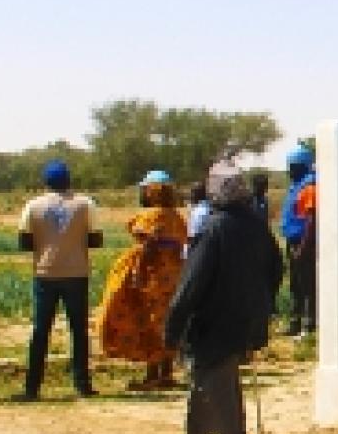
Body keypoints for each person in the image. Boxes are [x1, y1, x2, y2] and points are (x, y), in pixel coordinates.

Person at [165, 161, 283, 434]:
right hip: (248, 317)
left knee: (215, 383)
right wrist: (262, 302)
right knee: (227, 380)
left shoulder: (213, 229)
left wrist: (173, 326)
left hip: (216, 322)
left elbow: (191, 285)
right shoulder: (256, 224)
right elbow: (276, 267)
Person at [17, 158, 102, 400]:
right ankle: (82, 384)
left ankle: (32, 387)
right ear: (68, 180)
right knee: (78, 330)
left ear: (46, 182)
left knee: (41, 330)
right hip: (76, 272)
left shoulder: (33, 206)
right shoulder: (85, 204)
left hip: (45, 273)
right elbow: (96, 239)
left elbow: (24, 242)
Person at [97, 169, 187, 390]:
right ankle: (166, 372)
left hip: (153, 276)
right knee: (166, 320)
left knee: (149, 320)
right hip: (173, 275)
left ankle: (153, 374)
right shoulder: (177, 217)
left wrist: (136, 273)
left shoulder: (149, 217)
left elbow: (147, 246)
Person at [280, 146, 317, 336]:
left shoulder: (309, 187)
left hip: (304, 243)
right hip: (294, 240)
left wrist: (303, 247)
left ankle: (310, 323)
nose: (289, 171)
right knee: (296, 283)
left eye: (293, 167)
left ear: (303, 167)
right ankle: (296, 321)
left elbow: (312, 220)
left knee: (307, 283)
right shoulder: (297, 186)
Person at [184, 181, 212, 254]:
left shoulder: (199, 212)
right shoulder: (210, 207)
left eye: (192, 193)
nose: (190, 196)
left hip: (197, 251)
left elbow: (193, 236)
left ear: (197, 194)